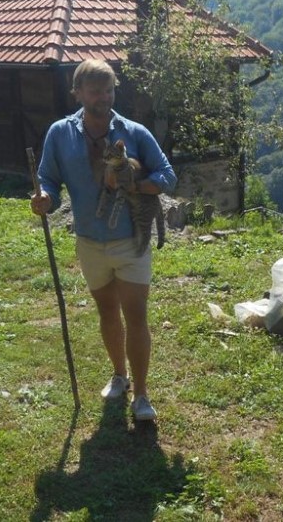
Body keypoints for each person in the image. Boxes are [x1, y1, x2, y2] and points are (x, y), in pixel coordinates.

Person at [31, 59, 177, 422]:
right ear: (78, 93)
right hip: (89, 241)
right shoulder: (59, 134)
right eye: (95, 91)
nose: (103, 97)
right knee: (107, 312)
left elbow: (167, 176)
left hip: (130, 241)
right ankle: (119, 375)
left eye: (109, 90)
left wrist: (136, 186)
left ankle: (141, 396)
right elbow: (48, 177)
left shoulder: (134, 132)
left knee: (136, 315)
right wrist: (45, 199)